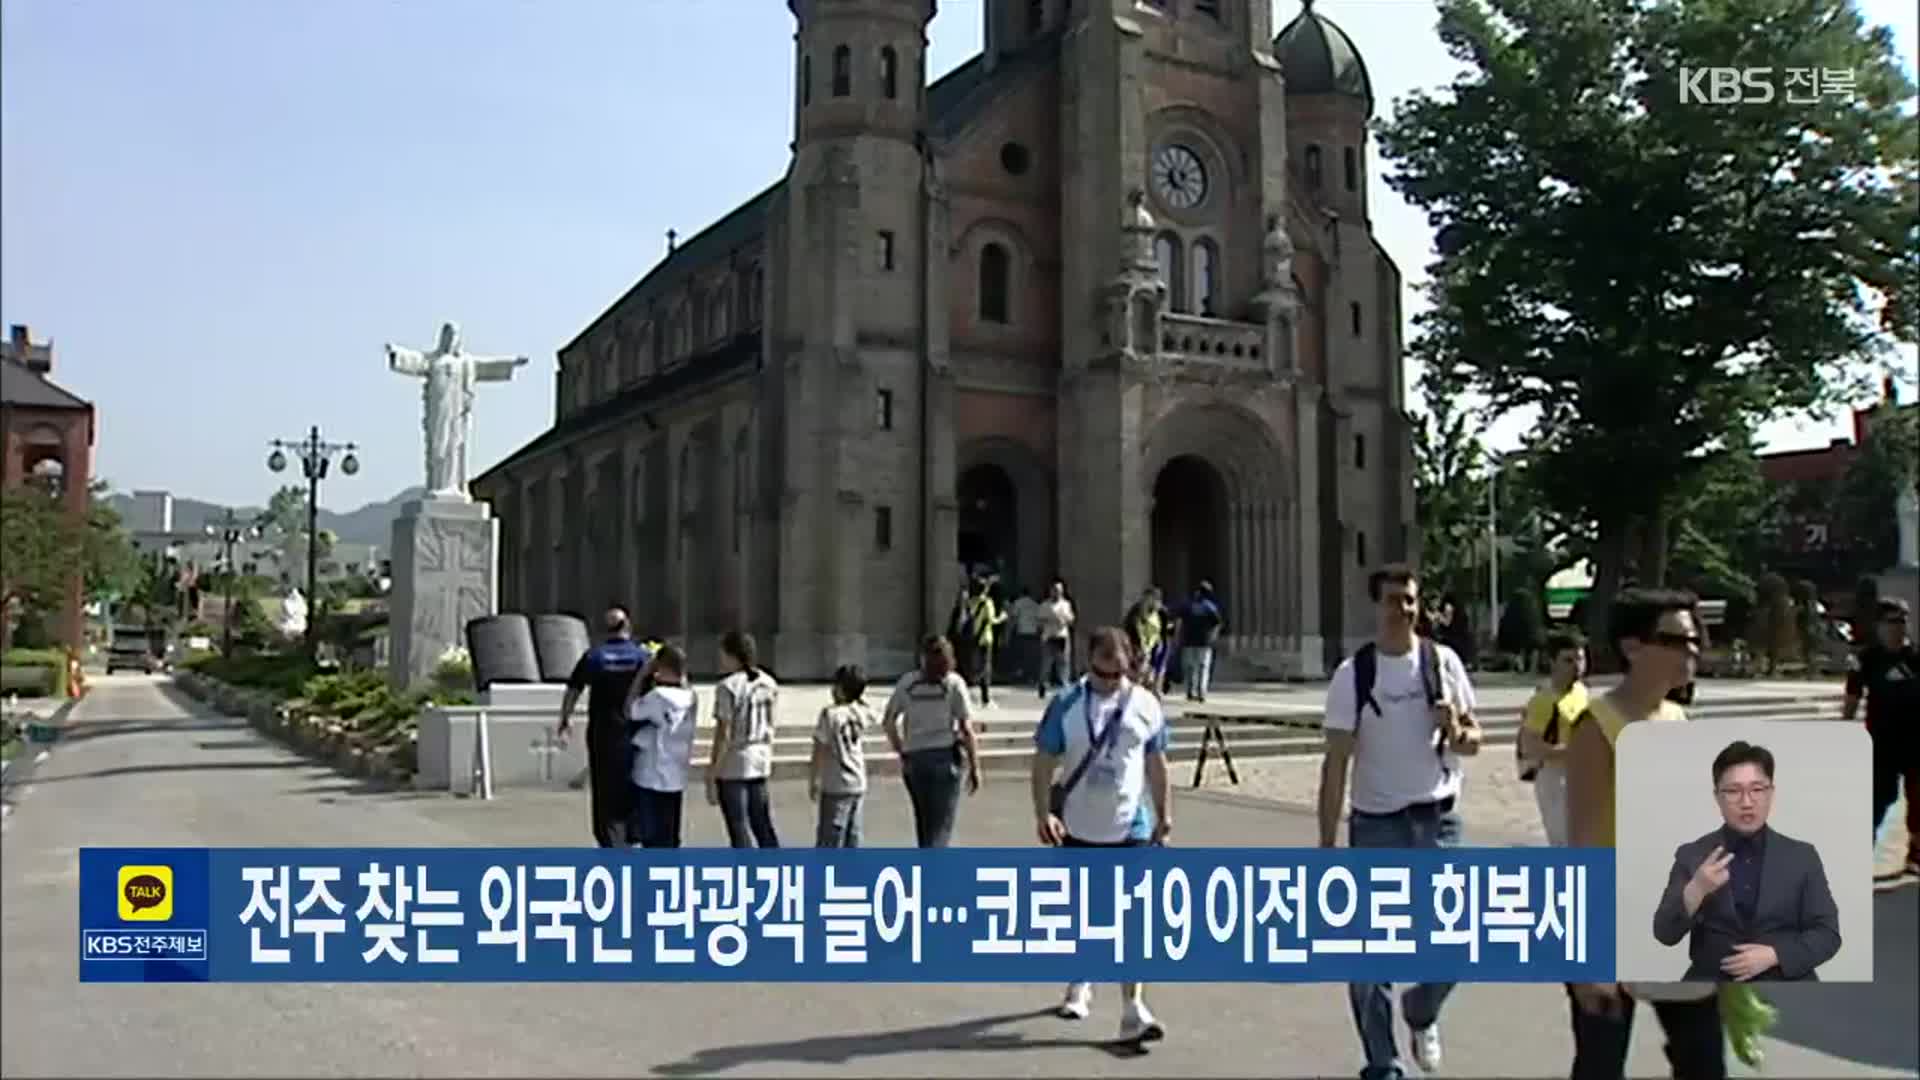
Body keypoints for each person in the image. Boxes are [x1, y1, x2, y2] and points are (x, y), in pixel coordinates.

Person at [1316, 563, 1481, 1079]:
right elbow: (1336, 761)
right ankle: (1383, 1063)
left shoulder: (1443, 662)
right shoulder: (1355, 674)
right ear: (1376, 605)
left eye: (1410, 600)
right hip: (1378, 824)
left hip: (1439, 817)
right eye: (1392, 600)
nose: (1403, 609)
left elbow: (1474, 741)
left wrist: (1456, 729)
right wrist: (1326, 847)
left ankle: (1423, 1009)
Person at [1565, 588, 1727, 1080]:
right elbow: (1584, 841)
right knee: (1600, 1066)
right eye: (1676, 640)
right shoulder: (1599, 727)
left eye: (1695, 639)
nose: (1691, 651)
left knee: (1702, 1065)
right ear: (1633, 647)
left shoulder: (1677, 719)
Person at [1031, 626, 1171, 1044]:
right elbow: (1043, 763)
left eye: (1119, 672)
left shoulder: (1145, 704)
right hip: (1078, 826)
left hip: (1131, 826)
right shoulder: (1066, 704)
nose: (1112, 680)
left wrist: (1166, 813)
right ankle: (1079, 979)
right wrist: (1043, 813)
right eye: (1104, 671)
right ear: (1089, 661)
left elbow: (1157, 761)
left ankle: (1133, 1008)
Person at [1651, 740, 1841, 982]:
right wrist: (1696, 890)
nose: (1747, 802)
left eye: (1757, 789)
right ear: (1717, 797)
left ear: (1771, 793)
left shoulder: (1802, 856)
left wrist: (1776, 955)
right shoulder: (1692, 855)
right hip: (1710, 985)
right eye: (1733, 791)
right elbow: (1664, 933)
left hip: (1787, 981)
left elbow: (1828, 934)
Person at [556, 608, 651, 847]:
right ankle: (634, 836)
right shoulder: (642, 656)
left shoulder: (594, 656)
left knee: (605, 791)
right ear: (627, 625)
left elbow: (574, 689)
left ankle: (611, 841)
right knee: (635, 784)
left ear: (605, 630)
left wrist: (565, 719)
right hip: (635, 732)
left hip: (603, 733)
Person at [883, 636, 982, 848]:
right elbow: (966, 728)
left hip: (915, 759)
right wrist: (975, 767)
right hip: (945, 758)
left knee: (924, 823)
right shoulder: (953, 684)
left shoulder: (908, 683)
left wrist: (901, 749)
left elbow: (888, 721)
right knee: (941, 826)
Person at [1844, 597, 1919, 877]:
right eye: (1892, 622)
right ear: (1879, 626)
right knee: (1877, 798)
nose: (1898, 627)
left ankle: (1916, 855)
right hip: (1881, 741)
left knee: (1918, 800)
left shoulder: (1916, 657)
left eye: (1903, 621)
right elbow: (1852, 697)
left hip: (1916, 741)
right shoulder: (1867, 659)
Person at [1516, 629, 1590, 846]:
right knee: (1565, 841)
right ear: (1552, 662)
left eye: (1581, 658)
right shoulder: (1543, 701)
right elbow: (1530, 746)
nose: (1577, 666)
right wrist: (1572, 750)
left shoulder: (1581, 691)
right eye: (1568, 660)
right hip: (1554, 777)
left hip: (1582, 773)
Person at [707, 630, 780, 848]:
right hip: (760, 753)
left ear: (732, 655)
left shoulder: (728, 686)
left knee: (738, 825)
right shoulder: (768, 682)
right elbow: (772, 721)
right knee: (762, 822)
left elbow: (724, 732)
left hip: (735, 758)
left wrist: (713, 771)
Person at [625, 643, 697, 848]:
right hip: (676, 775)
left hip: (651, 774)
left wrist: (641, 676)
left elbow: (630, 710)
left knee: (650, 837)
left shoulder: (657, 697)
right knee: (670, 837)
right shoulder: (691, 697)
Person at [812, 664, 874, 847]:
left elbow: (820, 747)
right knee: (853, 834)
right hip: (857, 780)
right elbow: (871, 712)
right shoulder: (861, 713)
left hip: (836, 782)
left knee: (831, 835)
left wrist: (814, 777)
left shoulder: (829, 714)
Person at [1177, 582, 1224, 702]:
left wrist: (1178, 637)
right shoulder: (1209, 607)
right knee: (1203, 667)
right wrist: (1213, 637)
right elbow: (1217, 623)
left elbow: (1179, 621)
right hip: (1204, 641)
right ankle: (1201, 692)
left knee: (1190, 668)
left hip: (1188, 641)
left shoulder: (1188, 605)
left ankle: (1190, 691)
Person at [1037, 580, 1076, 698]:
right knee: (1046, 663)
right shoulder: (1045, 605)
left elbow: (1071, 619)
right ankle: (1043, 684)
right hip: (1049, 636)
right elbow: (1039, 621)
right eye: (1055, 590)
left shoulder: (1066, 604)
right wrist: (1049, 620)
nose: (1057, 593)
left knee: (1063, 662)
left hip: (1062, 636)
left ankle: (1065, 685)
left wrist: (1065, 619)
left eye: (1059, 590)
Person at [1009, 586, 1043, 685]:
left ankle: (1022, 676)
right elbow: (1039, 620)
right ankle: (1031, 676)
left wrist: (1009, 631)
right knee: (1030, 656)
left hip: (1022, 632)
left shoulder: (1018, 603)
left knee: (1021, 656)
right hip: (1033, 633)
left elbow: (1014, 618)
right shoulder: (1035, 604)